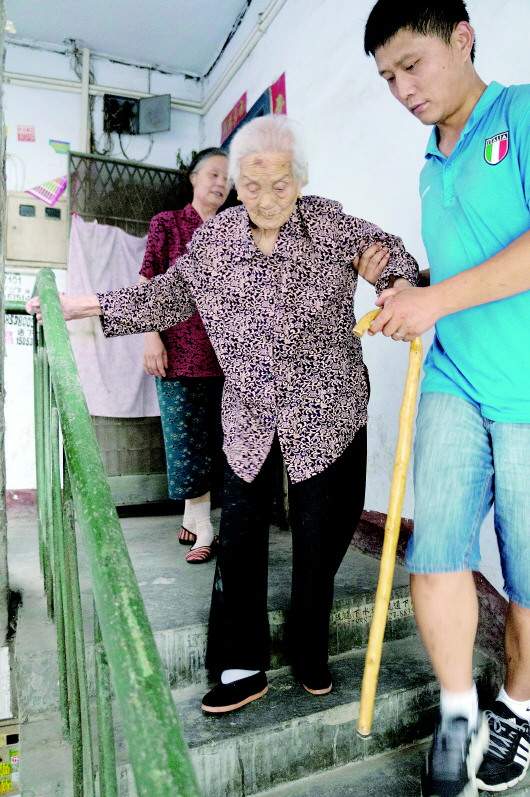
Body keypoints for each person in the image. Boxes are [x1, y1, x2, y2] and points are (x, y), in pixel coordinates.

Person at [28, 114, 418, 715]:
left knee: (322, 536)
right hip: (249, 412)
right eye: (251, 185)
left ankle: (309, 645)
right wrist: (85, 304)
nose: (265, 199)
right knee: (239, 536)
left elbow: (391, 256)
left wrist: (393, 282)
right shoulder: (218, 239)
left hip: (329, 404)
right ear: (237, 182)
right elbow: (167, 295)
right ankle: (241, 663)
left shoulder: (330, 223)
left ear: (300, 180)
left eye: (279, 185)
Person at [364, 2, 530, 795]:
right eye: (387, 77)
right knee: (436, 553)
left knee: (528, 578)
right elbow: (463, 269)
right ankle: (458, 711)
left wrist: (434, 298)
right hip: (454, 377)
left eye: (412, 64)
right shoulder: (431, 162)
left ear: (462, 39)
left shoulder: (521, 113)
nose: (402, 89)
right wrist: (413, 291)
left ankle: (519, 707)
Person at [140, 148, 230, 564]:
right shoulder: (168, 224)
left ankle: (193, 517)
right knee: (185, 442)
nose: (221, 182)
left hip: (229, 356)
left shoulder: (235, 230)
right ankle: (204, 526)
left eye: (227, 177)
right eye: (213, 174)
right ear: (193, 178)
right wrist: (150, 337)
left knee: (217, 442)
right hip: (178, 352)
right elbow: (147, 283)